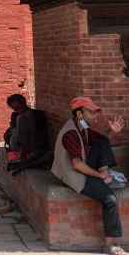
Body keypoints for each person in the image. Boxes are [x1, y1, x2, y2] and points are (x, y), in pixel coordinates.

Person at [52, 97, 126, 255]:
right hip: (73, 174)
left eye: (95, 112)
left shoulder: (82, 125)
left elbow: (100, 140)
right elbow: (77, 165)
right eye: (91, 112)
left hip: (85, 167)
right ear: (79, 113)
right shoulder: (70, 133)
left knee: (102, 140)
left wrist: (111, 131)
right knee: (110, 200)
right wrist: (99, 175)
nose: (95, 115)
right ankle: (111, 245)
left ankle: (106, 173)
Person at [4, 94, 51, 173]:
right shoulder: (21, 115)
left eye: (17, 107)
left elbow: (27, 137)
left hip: (31, 150)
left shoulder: (23, 117)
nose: (15, 110)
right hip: (28, 149)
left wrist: (23, 154)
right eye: (14, 108)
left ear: (22, 103)